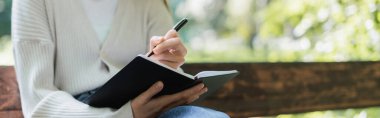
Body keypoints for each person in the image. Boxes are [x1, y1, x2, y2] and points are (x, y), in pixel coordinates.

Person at [12, 0, 229, 117]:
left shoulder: (149, 3)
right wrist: (125, 115)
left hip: (151, 107)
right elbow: (37, 99)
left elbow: (164, 69)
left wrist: (170, 65)